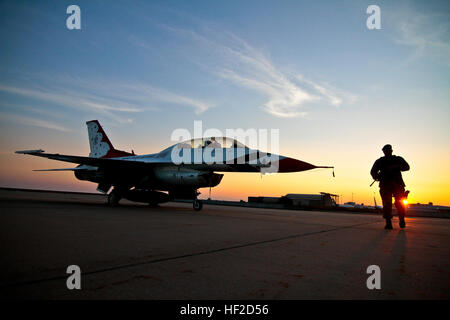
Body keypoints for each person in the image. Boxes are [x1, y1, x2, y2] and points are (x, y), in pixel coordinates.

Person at [370, 144, 410, 229]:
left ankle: (401, 220)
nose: (387, 152)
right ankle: (388, 223)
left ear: (391, 151)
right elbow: (373, 172)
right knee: (387, 204)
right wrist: (378, 176)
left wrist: (396, 167)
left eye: (388, 151)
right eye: (385, 151)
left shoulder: (398, 159)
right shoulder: (380, 161)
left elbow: (407, 167)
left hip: (397, 184)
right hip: (385, 185)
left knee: (399, 203)